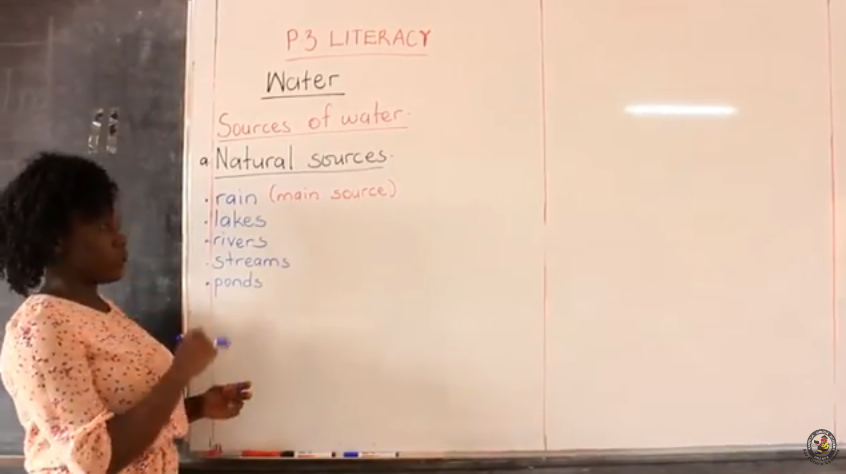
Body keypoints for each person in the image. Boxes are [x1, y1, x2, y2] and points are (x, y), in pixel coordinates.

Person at [0, 152, 251, 473]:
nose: (120, 239)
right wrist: (179, 374)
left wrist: (200, 406)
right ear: (57, 240)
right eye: (104, 227)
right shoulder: (41, 328)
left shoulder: (102, 313)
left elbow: (129, 419)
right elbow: (95, 459)